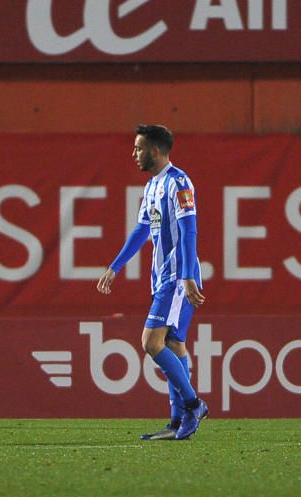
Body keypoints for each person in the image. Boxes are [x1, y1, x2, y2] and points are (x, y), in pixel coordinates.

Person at [96, 124, 208, 441]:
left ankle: (193, 404)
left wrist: (186, 277)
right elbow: (142, 230)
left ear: (155, 151)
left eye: (138, 148)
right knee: (174, 344)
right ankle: (177, 422)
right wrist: (115, 266)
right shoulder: (152, 187)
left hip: (177, 276)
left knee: (151, 343)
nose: (134, 153)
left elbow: (189, 232)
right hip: (165, 277)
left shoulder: (179, 183)